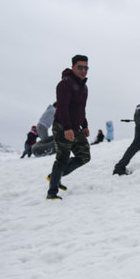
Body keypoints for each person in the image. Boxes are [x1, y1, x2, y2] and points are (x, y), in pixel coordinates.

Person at [46, 55, 91, 200]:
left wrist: (84, 125)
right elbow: (62, 107)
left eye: (86, 67)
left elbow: (80, 109)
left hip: (76, 127)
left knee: (84, 156)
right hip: (62, 126)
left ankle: (55, 176)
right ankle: (52, 193)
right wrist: (67, 128)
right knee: (62, 158)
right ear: (73, 67)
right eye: (80, 67)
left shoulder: (84, 87)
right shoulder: (65, 84)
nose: (83, 70)